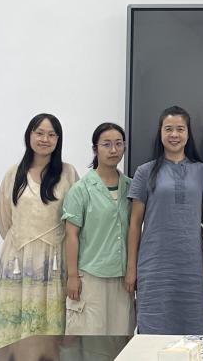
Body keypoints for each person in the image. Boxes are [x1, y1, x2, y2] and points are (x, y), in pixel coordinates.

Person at [0, 113, 79, 349]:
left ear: (58, 140)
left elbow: (76, 220)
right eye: (39, 133)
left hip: (54, 262)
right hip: (17, 259)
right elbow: (4, 219)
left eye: (51, 134)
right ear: (29, 135)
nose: (45, 139)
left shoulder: (68, 173)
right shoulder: (13, 174)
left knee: (50, 327)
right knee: (14, 324)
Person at [126, 105, 203, 334]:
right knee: (152, 330)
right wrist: (131, 268)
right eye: (168, 129)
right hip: (154, 265)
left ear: (188, 133)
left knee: (192, 333)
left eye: (180, 129)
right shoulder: (144, 171)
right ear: (160, 132)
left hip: (191, 265)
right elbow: (134, 224)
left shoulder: (202, 172)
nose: (174, 134)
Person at [62, 122, 135, 335]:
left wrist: (132, 270)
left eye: (118, 144)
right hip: (90, 276)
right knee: (89, 339)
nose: (113, 150)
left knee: (121, 336)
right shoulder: (81, 189)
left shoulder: (131, 187)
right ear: (95, 149)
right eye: (106, 144)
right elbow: (71, 235)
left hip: (122, 278)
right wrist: (72, 276)